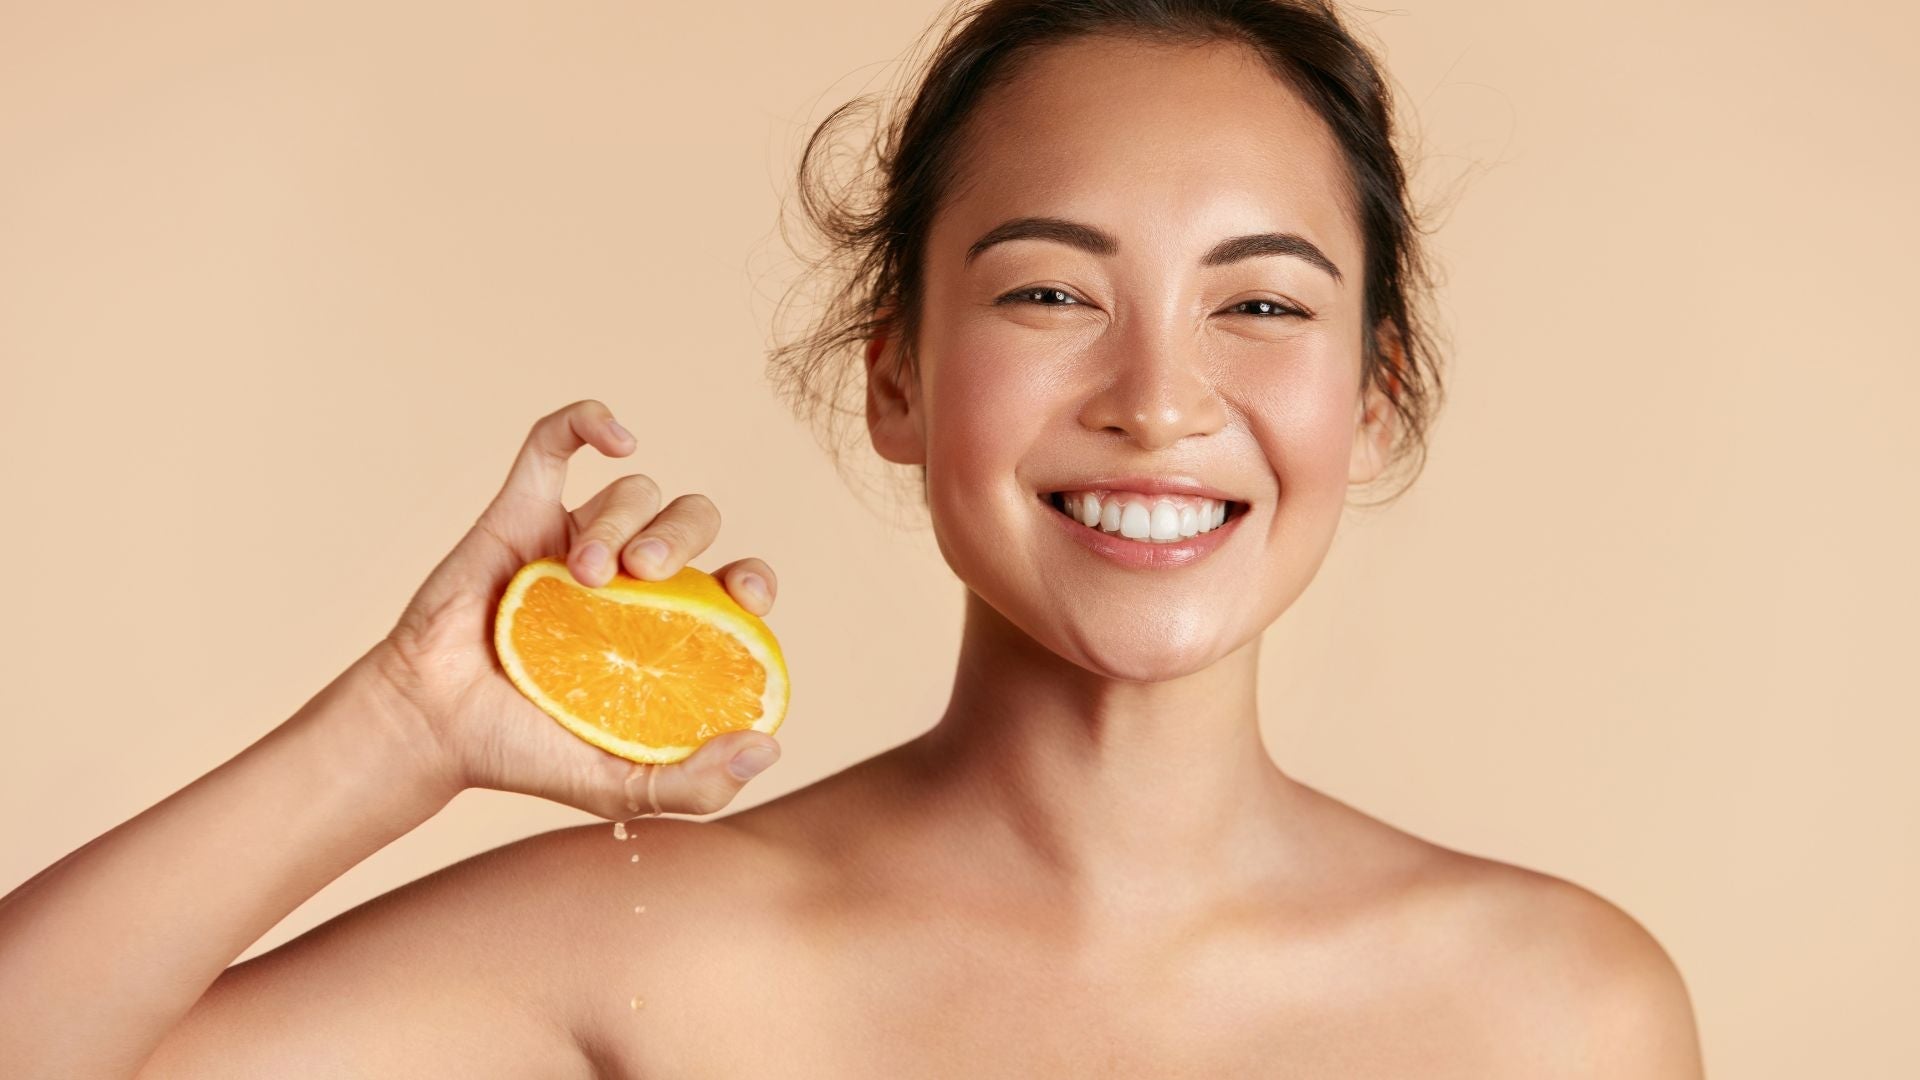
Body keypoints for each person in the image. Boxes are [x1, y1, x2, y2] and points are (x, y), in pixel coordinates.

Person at [0, 1, 1706, 1076]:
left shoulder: (1561, 1014)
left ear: (1375, 393)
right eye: (1050, 290)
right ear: (898, 376)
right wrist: (399, 725)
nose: (1159, 399)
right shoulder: (652, 948)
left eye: (1261, 302)